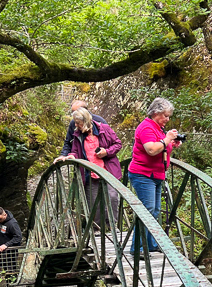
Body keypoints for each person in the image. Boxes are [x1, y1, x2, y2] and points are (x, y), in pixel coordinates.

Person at [127, 97, 181, 254]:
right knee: (147, 209)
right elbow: (151, 149)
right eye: (165, 115)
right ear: (156, 112)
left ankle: (150, 244)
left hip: (156, 174)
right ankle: (138, 248)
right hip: (143, 174)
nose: (167, 119)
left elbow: (161, 145)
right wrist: (167, 140)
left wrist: (171, 142)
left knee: (155, 210)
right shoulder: (146, 128)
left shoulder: (158, 128)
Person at [58, 107, 122, 227]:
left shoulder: (104, 129)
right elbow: (75, 151)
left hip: (108, 171)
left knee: (112, 197)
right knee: (93, 203)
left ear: (86, 121)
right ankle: (96, 229)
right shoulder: (78, 135)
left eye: (78, 123)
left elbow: (118, 144)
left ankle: (112, 226)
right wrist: (70, 156)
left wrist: (106, 152)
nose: (76, 125)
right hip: (90, 173)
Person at [0, 207, 22, 283]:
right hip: (1, 249)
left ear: (5, 215)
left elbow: (18, 237)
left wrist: (6, 245)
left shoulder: (12, 224)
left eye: (0, 219)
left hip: (10, 251)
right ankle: (9, 286)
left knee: (10, 269)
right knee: (4, 268)